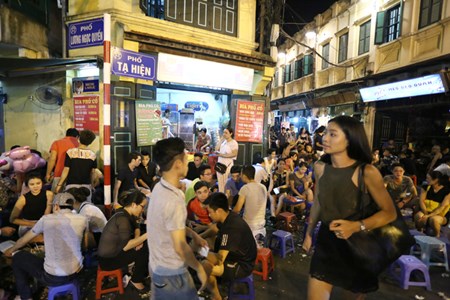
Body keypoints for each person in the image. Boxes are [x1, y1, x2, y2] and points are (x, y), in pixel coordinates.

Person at [302, 115, 396, 298]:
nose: (325, 138)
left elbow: (389, 213)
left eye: (332, 134)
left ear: (349, 140)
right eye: (326, 133)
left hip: (359, 245)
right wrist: (308, 233)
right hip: (327, 241)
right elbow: (319, 203)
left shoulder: (367, 172)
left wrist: (356, 226)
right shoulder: (320, 167)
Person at [147, 137, 207, 299]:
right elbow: (180, 247)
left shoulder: (159, 188)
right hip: (172, 274)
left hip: (156, 266)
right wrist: (199, 268)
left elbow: (169, 226)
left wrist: (193, 234)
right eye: (185, 158)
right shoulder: (174, 199)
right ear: (178, 164)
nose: (188, 162)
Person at [5, 192, 88, 300]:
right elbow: (84, 246)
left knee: (18, 257)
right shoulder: (83, 219)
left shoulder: (46, 219)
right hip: (77, 272)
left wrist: (11, 250)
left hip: (53, 278)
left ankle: (25, 297)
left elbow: (23, 240)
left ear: (56, 206)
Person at [202, 192, 257, 300]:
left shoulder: (232, 228)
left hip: (243, 265)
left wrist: (199, 250)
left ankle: (217, 298)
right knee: (209, 246)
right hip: (237, 255)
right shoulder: (228, 216)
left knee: (205, 266)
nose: (209, 215)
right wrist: (199, 237)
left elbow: (219, 259)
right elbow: (214, 229)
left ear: (218, 211)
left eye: (210, 212)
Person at [98, 189, 149, 293]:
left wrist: (137, 239)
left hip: (114, 251)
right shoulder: (123, 219)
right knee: (144, 249)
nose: (142, 210)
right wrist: (147, 235)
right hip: (108, 260)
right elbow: (125, 246)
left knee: (142, 243)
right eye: (142, 206)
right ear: (134, 205)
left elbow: (136, 226)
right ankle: (136, 280)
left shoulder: (125, 212)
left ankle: (138, 272)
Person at [55, 130, 97, 202]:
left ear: (78, 139)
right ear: (90, 142)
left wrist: (59, 185)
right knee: (85, 207)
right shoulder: (92, 155)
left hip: (72, 185)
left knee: (71, 207)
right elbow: (92, 172)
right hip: (86, 186)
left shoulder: (70, 152)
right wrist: (92, 185)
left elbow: (66, 170)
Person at [9, 172, 53, 237]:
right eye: (32, 184)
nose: (35, 186)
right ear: (27, 185)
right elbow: (12, 219)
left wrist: (42, 224)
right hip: (27, 225)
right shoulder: (23, 199)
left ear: (42, 183)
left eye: (38, 183)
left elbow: (47, 213)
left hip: (44, 223)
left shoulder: (49, 194)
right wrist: (33, 224)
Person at [233, 165, 267, 242]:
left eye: (241, 174)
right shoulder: (263, 187)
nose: (240, 177)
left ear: (244, 176)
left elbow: (237, 209)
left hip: (249, 224)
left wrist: (230, 213)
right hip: (262, 222)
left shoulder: (245, 188)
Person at [414, 171, 450, 237]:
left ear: (436, 180)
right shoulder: (425, 187)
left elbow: (442, 207)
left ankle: (437, 235)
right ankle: (420, 232)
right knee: (418, 216)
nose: (426, 180)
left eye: (428, 178)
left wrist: (428, 216)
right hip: (426, 210)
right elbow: (421, 201)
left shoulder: (447, 191)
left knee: (433, 219)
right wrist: (425, 213)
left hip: (440, 214)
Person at [216, 128, 238, 193]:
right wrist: (221, 140)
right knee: (220, 184)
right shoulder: (223, 142)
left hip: (227, 165)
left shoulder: (234, 143)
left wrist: (222, 155)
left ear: (231, 134)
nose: (224, 134)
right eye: (224, 132)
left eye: (226, 133)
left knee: (226, 183)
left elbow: (234, 154)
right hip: (220, 165)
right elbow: (216, 148)